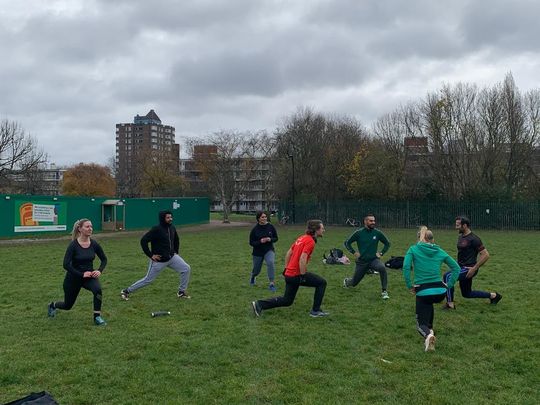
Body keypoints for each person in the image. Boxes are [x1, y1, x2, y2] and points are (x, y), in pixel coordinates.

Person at [251, 220, 329, 318]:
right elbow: (302, 258)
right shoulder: (310, 241)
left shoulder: (301, 238)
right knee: (322, 283)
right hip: (296, 274)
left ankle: (259, 304)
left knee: (287, 301)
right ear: (316, 230)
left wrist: (286, 269)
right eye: (322, 228)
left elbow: (289, 253)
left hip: (289, 274)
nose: (324, 230)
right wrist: (303, 275)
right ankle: (315, 311)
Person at [403, 226, 460, 351]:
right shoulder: (440, 251)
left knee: (420, 325)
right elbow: (456, 268)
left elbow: (406, 267)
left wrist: (409, 285)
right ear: (432, 239)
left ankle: (427, 335)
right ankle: (431, 334)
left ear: (419, 238)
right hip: (440, 292)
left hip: (423, 290)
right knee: (429, 306)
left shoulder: (413, 249)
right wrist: (448, 285)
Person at [48, 219, 108, 326]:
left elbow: (104, 259)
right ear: (80, 229)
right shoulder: (73, 245)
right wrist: (81, 274)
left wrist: (99, 270)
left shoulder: (94, 244)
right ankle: (53, 305)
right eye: (87, 226)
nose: (90, 229)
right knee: (67, 305)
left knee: (98, 290)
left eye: (91, 226)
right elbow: (66, 264)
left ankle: (97, 317)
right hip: (73, 278)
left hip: (89, 277)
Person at [121, 210, 191, 300]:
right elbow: (143, 241)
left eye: (171, 217)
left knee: (186, 269)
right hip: (159, 260)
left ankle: (181, 292)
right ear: (163, 218)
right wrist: (150, 255)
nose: (170, 219)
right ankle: (126, 291)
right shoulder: (156, 229)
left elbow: (176, 239)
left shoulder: (172, 228)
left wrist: (175, 251)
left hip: (172, 257)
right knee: (148, 280)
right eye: (168, 217)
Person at [442, 216, 502, 309]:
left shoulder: (474, 239)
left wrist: (475, 268)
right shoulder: (461, 236)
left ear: (465, 225)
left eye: (458, 225)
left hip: (468, 269)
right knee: (467, 293)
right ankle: (494, 296)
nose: (456, 227)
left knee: (448, 276)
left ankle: (450, 304)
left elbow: (485, 255)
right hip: (460, 267)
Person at [343, 214, 391, 299]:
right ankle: (347, 281)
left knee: (382, 268)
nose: (373, 222)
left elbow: (387, 243)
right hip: (362, 262)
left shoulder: (377, 233)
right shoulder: (358, 233)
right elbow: (347, 243)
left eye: (374, 221)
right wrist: (354, 252)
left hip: (373, 260)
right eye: (371, 221)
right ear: (365, 222)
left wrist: (381, 253)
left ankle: (384, 291)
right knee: (354, 283)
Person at [249, 211, 279, 291]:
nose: (264, 218)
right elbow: (251, 242)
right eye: (262, 217)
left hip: (269, 250)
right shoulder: (255, 229)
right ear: (258, 219)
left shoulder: (270, 227)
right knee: (256, 270)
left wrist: (270, 239)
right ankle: (253, 276)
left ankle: (271, 283)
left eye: (265, 217)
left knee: (270, 262)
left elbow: (276, 238)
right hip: (258, 252)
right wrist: (260, 241)